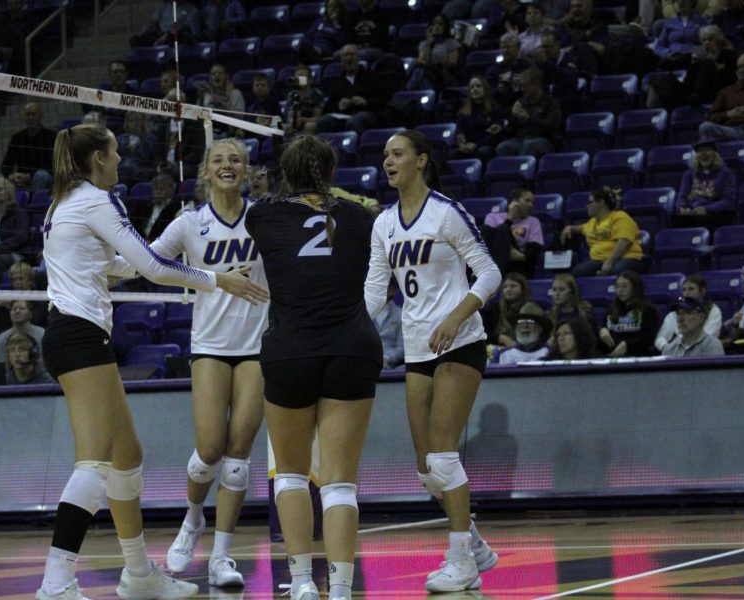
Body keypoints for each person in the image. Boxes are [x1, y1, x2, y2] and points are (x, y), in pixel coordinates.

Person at [35, 122, 267, 600]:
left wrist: (150, 268)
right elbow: (156, 268)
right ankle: (56, 582)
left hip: (78, 333)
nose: (121, 160)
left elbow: (126, 265)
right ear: (98, 158)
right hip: (78, 334)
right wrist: (218, 279)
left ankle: (139, 574)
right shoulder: (95, 200)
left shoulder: (66, 200)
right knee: (96, 463)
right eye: (115, 152)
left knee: (127, 457)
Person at [245, 134, 383, 600]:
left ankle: (303, 582)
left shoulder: (261, 215)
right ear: (331, 173)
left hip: (291, 349)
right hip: (352, 346)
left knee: (290, 473)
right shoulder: (359, 216)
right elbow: (354, 209)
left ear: (285, 172)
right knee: (340, 481)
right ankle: (341, 589)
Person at [364, 130, 502, 593]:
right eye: (384, 155)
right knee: (426, 468)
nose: (388, 160)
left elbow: (490, 272)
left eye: (397, 153)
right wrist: (341, 325)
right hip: (418, 348)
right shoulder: (383, 223)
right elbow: (375, 293)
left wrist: (456, 315)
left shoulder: (445, 213)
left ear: (421, 160)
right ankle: (477, 545)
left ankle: (461, 561)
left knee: (443, 455)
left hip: (460, 341)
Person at [153, 139, 268, 589]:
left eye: (235, 159)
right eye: (218, 160)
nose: (227, 165)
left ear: (246, 170)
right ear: (204, 172)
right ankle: (193, 519)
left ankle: (222, 555)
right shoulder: (189, 223)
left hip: (257, 345)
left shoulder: (263, 218)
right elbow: (150, 263)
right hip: (210, 346)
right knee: (209, 451)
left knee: (238, 458)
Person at [562, 187, 644, 277]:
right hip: (599, 261)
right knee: (579, 272)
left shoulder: (620, 217)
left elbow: (625, 242)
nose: (587, 206)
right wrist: (570, 228)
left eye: (590, 202)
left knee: (617, 271)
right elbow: (580, 228)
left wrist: (609, 263)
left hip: (627, 258)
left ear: (601, 202)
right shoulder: (592, 222)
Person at [495, 68, 561, 159]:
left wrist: (528, 119)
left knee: (529, 145)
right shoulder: (521, 102)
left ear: (536, 85)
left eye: (525, 86)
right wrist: (504, 125)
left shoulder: (551, 102)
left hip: (545, 140)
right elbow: (512, 129)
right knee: (503, 147)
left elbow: (552, 127)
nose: (522, 89)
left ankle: (523, 172)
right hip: (522, 139)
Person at [672, 139, 738, 229]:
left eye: (707, 150)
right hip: (693, 213)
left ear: (715, 154)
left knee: (701, 221)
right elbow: (682, 196)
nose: (703, 154)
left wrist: (707, 209)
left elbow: (729, 200)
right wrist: (682, 207)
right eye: (700, 151)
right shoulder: (689, 173)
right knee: (675, 220)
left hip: (714, 214)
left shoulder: (726, 173)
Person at [481, 188, 544, 279]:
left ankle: (490, 277)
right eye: (527, 201)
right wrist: (510, 219)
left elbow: (535, 248)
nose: (531, 205)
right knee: (485, 229)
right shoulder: (492, 217)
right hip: (494, 258)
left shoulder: (533, 222)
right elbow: (489, 241)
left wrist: (523, 256)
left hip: (517, 261)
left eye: (532, 202)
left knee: (502, 230)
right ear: (515, 202)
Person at [599, 270, 660, 357]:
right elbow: (605, 328)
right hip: (610, 357)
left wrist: (627, 345)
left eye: (625, 286)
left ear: (635, 288)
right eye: (617, 286)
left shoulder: (648, 310)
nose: (620, 290)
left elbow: (648, 339)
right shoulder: (612, 309)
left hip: (637, 357)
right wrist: (602, 330)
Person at [0, 102, 56, 193]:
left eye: (33, 114)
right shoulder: (17, 138)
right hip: (20, 178)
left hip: (45, 177)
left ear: (40, 116)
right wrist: (11, 175)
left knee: (40, 175)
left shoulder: (51, 136)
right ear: (23, 117)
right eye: (27, 115)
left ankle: (35, 203)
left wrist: (29, 176)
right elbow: (6, 163)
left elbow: (53, 165)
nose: (30, 118)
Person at [654, 274, 722, 351]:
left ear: (702, 291)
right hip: (677, 353)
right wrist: (668, 348)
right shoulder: (675, 312)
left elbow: (708, 335)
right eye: (684, 290)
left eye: (691, 289)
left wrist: (680, 345)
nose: (686, 293)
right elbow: (660, 338)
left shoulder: (713, 310)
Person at [448, 76, 506, 165]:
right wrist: (462, 144)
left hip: (486, 145)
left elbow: (494, 135)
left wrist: (476, 145)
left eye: (478, 86)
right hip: (468, 146)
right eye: (472, 87)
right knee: (451, 154)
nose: (475, 89)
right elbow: (460, 131)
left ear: (485, 89)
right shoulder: (463, 112)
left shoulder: (495, 109)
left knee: (483, 152)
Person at [0, 177, 31, 271]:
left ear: (9, 193)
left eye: (0, 189)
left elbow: (21, 237)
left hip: (15, 253)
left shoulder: (19, 213)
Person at [698, 52, 744, 142]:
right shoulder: (726, 92)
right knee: (705, 127)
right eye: (739, 67)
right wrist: (728, 114)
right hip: (731, 130)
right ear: (736, 72)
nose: (742, 70)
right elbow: (711, 117)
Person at [661, 296, 726, 357]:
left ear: (700, 317)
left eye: (687, 313)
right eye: (678, 314)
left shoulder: (712, 345)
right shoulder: (669, 349)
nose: (680, 319)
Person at [481, 272, 532, 347]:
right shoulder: (493, 308)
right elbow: (483, 333)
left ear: (523, 289)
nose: (508, 289)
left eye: (513, 286)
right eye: (505, 287)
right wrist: (501, 338)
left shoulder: (531, 308)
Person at [0, 300, 45, 364]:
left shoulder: (42, 335)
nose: (17, 311)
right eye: (14, 309)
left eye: (22, 308)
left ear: (30, 314)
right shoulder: (0, 340)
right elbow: (1, 365)